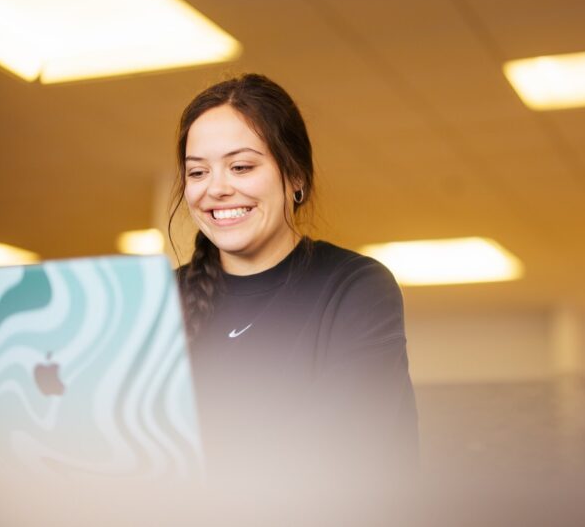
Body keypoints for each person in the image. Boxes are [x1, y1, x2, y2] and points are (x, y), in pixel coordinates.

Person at [168, 74, 418, 491]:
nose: (216, 189)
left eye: (241, 166)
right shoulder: (159, 303)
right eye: (197, 172)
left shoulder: (354, 288)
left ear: (296, 176)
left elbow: (336, 459)